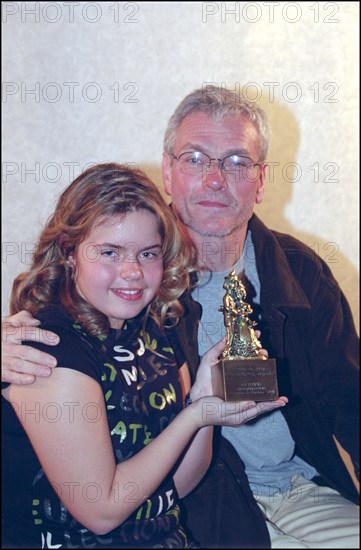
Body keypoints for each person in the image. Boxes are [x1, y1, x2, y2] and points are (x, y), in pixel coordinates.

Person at [2, 87, 359, 548]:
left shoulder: (299, 269)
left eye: (236, 162)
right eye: (195, 158)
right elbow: (52, 335)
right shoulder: (128, 289)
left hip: (298, 488)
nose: (214, 179)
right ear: (168, 172)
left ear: (261, 179)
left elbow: (350, 399)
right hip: (194, 508)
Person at [1, 162, 288, 548]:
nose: (132, 271)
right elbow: (100, 511)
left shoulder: (155, 331)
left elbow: (177, 487)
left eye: (148, 254)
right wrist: (193, 417)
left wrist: (205, 407)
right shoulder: (46, 348)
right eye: (110, 252)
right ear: (70, 253)